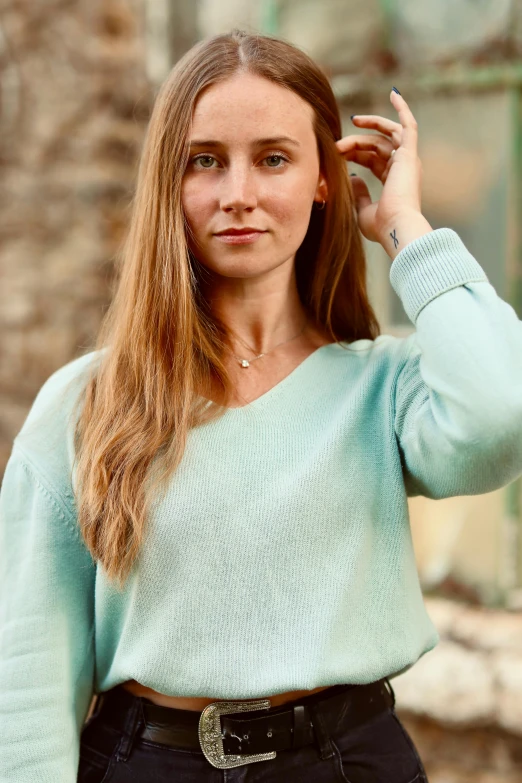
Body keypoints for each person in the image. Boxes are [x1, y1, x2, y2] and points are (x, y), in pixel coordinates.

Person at [1, 27, 522, 783]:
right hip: (149, 764)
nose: (237, 193)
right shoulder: (87, 401)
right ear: (169, 183)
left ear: (324, 178)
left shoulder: (384, 388)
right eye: (204, 160)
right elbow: (27, 665)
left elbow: (504, 412)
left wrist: (409, 231)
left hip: (351, 763)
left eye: (272, 158)